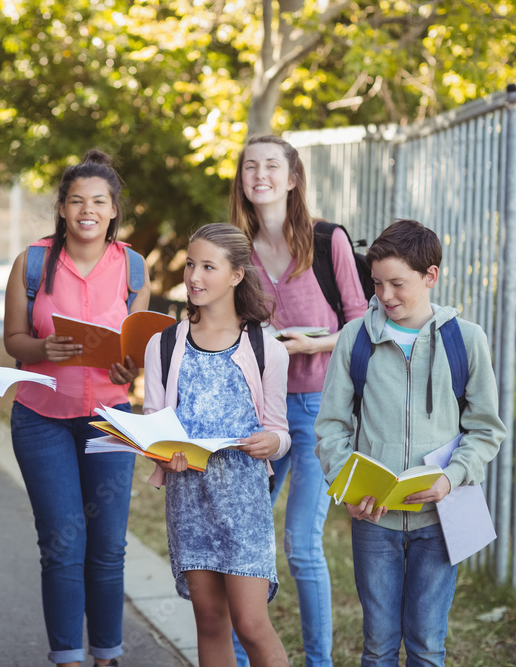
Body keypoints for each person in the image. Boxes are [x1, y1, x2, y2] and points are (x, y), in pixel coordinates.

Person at [315, 219, 505, 666]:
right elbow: (331, 427)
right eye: (378, 283)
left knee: (426, 645)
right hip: (373, 520)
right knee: (378, 645)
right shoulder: (354, 339)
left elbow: (485, 429)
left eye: (397, 283)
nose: (385, 296)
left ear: (430, 276)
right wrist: (347, 481)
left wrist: (452, 477)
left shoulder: (467, 340)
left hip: (440, 519)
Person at [3, 149, 150, 667]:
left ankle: (107, 657)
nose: (87, 209)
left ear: (113, 210)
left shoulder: (134, 266)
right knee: (63, 545)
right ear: (62, 208)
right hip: (42, 419)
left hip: (111, 420)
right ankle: (66, 658)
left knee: (108, 547)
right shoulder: (34, 261)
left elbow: (138, 350)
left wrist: (130, 369)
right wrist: (43, 350)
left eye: (99, 201)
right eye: (76, 201)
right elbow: (13, 341)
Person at [231, 134, 368, 666]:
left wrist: (314, 344)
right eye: (250, 167)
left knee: (301, 546)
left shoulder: (328, 239)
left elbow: (361, 321)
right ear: (242, 180)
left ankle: (318, 662)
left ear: (292, 179)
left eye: (271, 166)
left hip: (317, 411)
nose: (259, 174)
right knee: (246, 547)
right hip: (258, 411)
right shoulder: (235, 248)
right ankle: (242, 659)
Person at [144, 223, 290, 666]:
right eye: (191, 264)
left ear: (236, 275)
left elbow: (280, 431)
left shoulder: (267, 347)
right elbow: (153, 423)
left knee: (250, 623)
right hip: (189, 499)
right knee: (209, 621)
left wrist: (271, 443)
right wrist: (162, 453)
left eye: (209, 266)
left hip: (244, 501)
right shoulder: (164, 344)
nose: (194, 276)